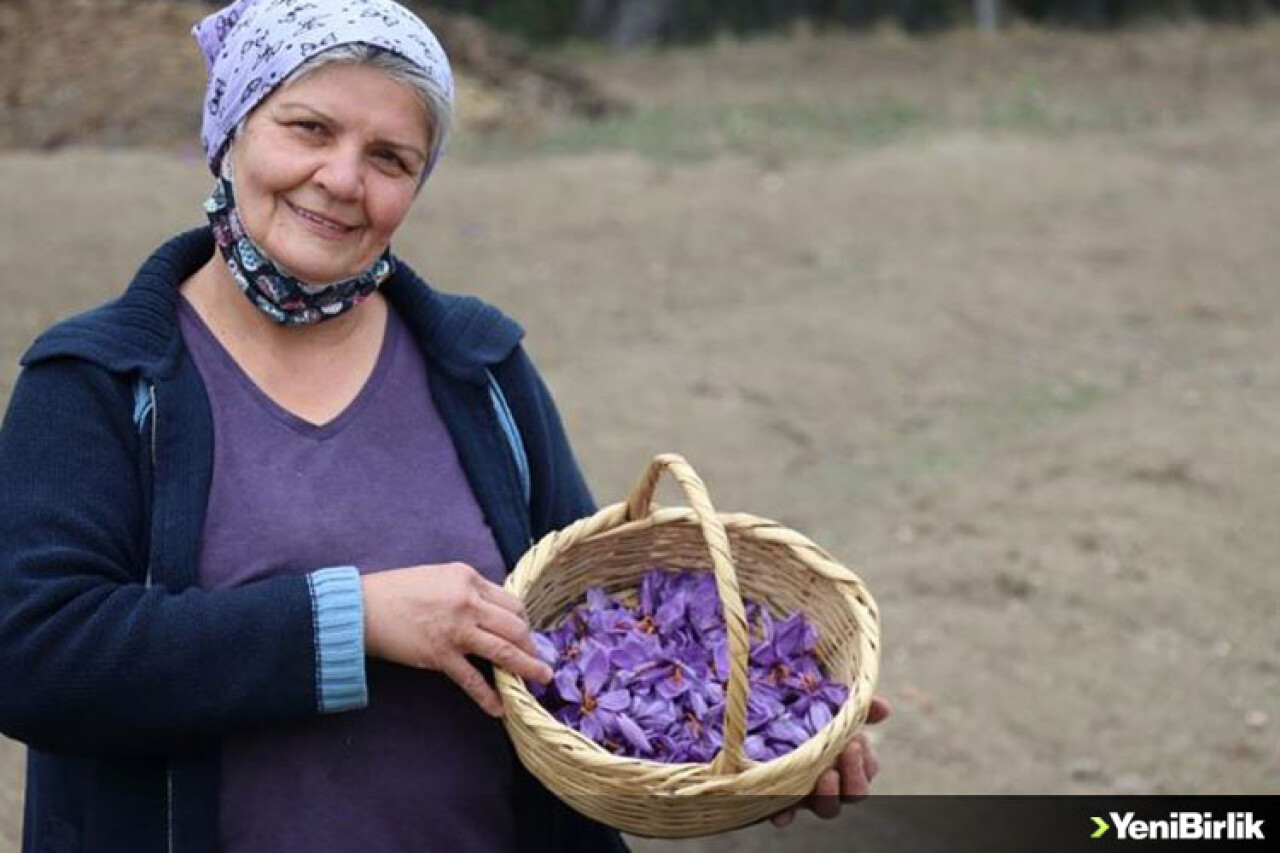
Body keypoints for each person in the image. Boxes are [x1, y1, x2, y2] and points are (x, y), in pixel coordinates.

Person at [0, 1, 885, 851]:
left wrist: (760, 729)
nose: (343, 179)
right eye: (308, 128)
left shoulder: (478, 366)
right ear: (229, 132)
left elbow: (576, 639)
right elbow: (33, 655)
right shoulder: (100, 383)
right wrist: (352, 622)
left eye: (390, 157)